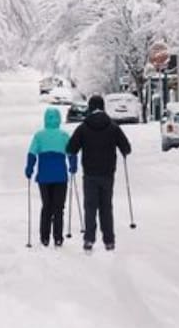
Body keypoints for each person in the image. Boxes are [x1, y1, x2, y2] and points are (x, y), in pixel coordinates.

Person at [66, 94, 131, 252]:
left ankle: (89, 239)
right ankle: (109, 241)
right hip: (108, 173)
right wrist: (121, 150)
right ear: (103, 107)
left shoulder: (83, 127)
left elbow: (70, 148)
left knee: (90, 206)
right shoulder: (113, 126)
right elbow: (126, 148)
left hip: (90, 174)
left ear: (90, 107)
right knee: (106, 207)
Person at [25, 106, 77, 247]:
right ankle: (58, 237)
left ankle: (44, 237)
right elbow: (72, 153)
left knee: (46, 206)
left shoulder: (39, 136)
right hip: (60, 176)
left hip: (44, 177)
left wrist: (29, 169)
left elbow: (32, 154)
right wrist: (73, 166)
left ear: (45, 119)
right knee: (59, 207)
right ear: (59, 119)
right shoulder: (64, 135)